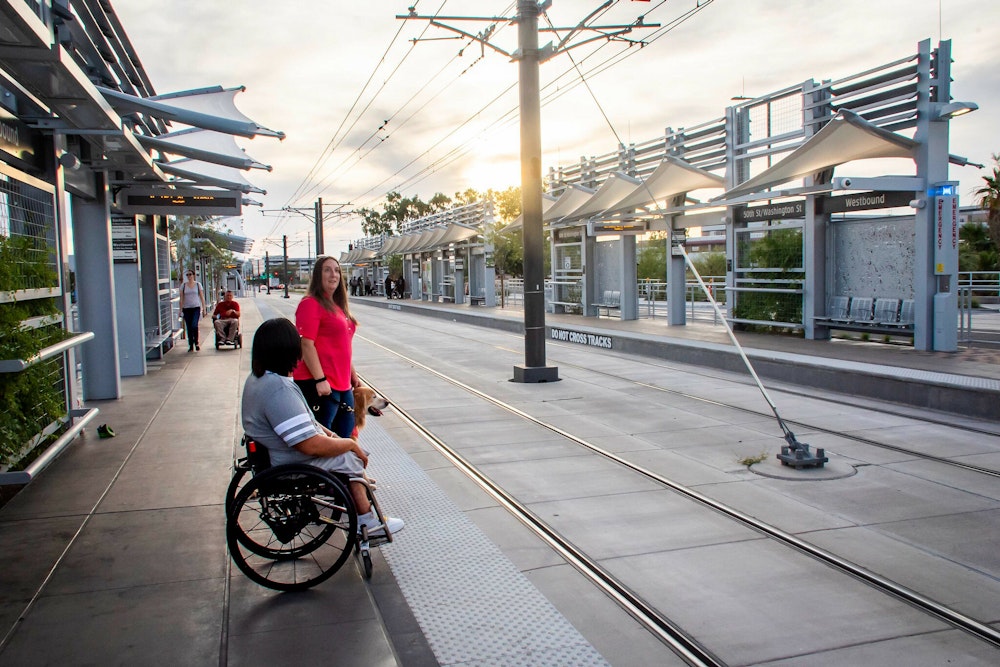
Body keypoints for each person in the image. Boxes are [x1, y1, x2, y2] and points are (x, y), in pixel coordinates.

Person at [242, 318, 403, 535]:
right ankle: (367, 522)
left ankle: (361, 510)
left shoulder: (259, 380)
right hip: (288, 460)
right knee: (351, 458)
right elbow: (310, 445)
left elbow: (303, 422)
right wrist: (349, 444)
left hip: (273, 454)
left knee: (345, 449)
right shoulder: (279, 390)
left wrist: (332, 435)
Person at [292, 256, 360, 438]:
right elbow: (306, 344)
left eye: (337, 270)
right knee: (325, 440)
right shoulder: (310, 304)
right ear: (318, 275)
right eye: (327, 270)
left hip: (342, 384)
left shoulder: (337, 307)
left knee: (345, 438)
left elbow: (342, 347)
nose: (333, 275)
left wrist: (353, 375)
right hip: (321, 385)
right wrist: (320, 379)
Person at [179, 270, 206, 351]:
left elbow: (202, 297)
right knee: (189, 327)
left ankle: (196, 342)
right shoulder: (183, 285)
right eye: (187, 275)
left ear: (193, 275)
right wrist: (180, 309)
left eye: (190, 274)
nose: (189, 276)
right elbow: (181, 298)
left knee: (194, 325)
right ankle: (191, 344)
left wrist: (204, 308)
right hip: (186, 308)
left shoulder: (198, 285)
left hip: (196, 307)